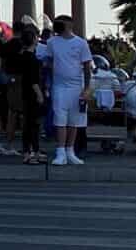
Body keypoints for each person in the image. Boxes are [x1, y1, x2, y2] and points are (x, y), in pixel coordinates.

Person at [42, 14, 93, 166]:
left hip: (76, 87)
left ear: (70, 25)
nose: (58, 26)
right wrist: (49, 81)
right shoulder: (51, 42)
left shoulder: (81, 43)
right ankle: (60, 152)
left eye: (61, 23)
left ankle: (70, 151)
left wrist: (87, 88)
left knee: (74, 121)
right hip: (59, 86)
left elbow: (87, 67)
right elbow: (49, 62)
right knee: (60, 119)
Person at [19, 24, 45, 164]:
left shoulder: (24, 56)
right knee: (33, 125)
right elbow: (33, 80)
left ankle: (31, 151)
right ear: (34, 39)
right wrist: (40, 94)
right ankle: (31, 153)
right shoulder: (32, 59)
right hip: (33, 94)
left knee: (29, 124)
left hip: (25, 93)